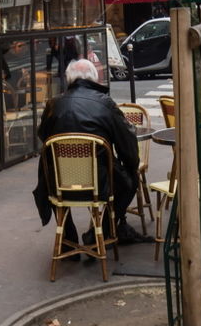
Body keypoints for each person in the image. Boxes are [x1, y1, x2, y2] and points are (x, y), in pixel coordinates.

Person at [33, 58, 145, 247]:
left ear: (69, 79)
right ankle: (101, 232)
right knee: (130, 180)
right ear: (94, 78)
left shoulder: (53, 104)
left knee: (49, 173)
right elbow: (127, 144)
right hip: (99, 181)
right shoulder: (105, 103)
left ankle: (68, 236)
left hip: (58, 183)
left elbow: (43, 135)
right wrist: (130, 166)